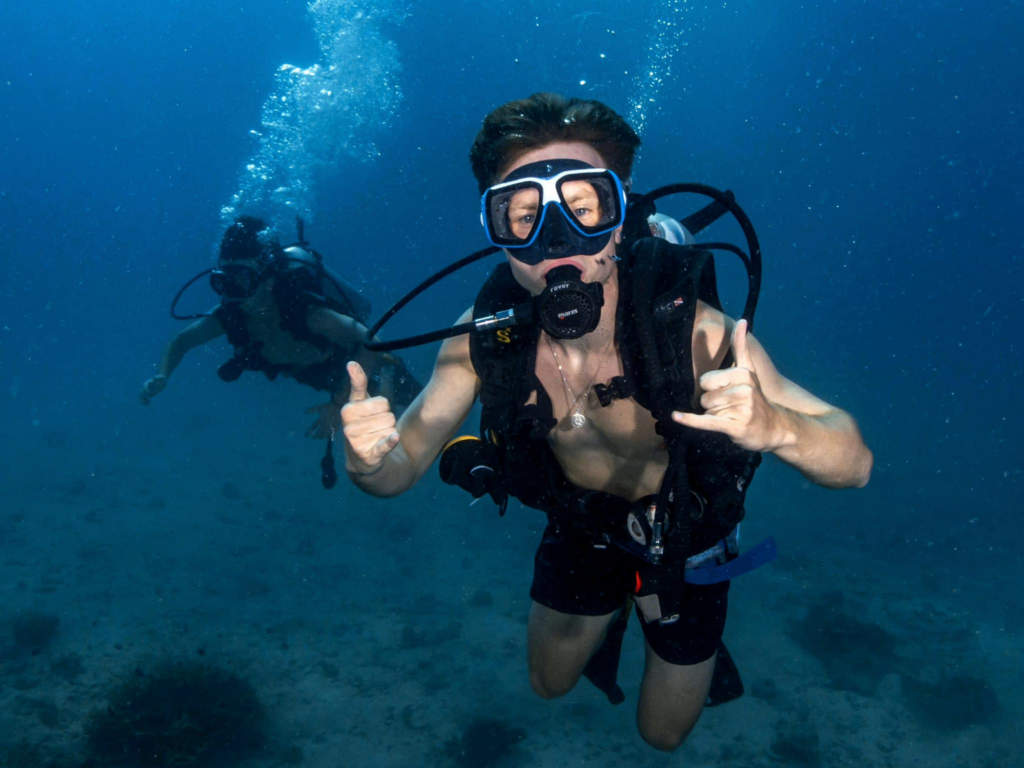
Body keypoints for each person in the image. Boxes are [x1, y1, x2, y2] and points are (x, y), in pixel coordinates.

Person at [340, 93, 873, 751]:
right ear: (493, 226)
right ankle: (618, 602)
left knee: (663, 735)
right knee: (548, 683)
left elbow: (856, 462)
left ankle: (654, 603)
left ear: (620, 216)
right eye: (525, 215)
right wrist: (368, 461)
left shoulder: (696, 336)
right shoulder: (482, 339)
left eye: (585, 207)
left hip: (689, 534)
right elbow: (396, 473)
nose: (558, 240)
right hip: (582, 524)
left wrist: (779, 428)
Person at [140, 216, 421, 442]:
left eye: (241, 280)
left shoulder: (307, 314)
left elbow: (373, 342)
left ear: (268, 279)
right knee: (391, 437)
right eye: (223, 282)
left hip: (360, 368)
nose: (231, 293)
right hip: (314, 375)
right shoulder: (232, 315)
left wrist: (337, 406)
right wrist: (162, 374)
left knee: (422, 416)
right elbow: (181, 341)